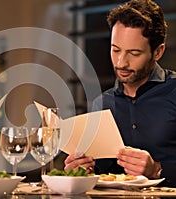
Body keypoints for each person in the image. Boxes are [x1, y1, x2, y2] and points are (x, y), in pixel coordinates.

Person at [64, 0, 176, 187]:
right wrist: (81, 172)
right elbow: (101, 172)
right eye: (115, 50)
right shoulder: (102, 103)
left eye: (134, 53)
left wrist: (157, 169)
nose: (121, 63)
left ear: (158, 52)